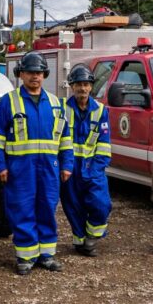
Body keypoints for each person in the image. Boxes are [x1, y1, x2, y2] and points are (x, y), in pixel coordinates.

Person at [0, 52, 73, 275]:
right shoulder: (9, 101)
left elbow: (65, 138)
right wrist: (0, 166)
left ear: (44, 74)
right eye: (29, 72)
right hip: (20, 169)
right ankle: (25, 257)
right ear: (21, 74)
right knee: (22, 209)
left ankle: (47, 255)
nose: (34, 77)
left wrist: (67, 164)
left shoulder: (56, 103)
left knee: (47, 207)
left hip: (49, 168)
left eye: (38, 72)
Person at [61, 63, 112, 257]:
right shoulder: (62, 109)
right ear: (72, 86)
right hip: (69, 168)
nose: (82, 88)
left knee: (102, 204)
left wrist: (97, 168)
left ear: (91, 86)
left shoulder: (100, 110)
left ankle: (91, 236)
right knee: (73, 206)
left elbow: (104, 142)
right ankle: (80, 241)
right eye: (78, 84)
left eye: (86, 84)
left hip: (93, 167)